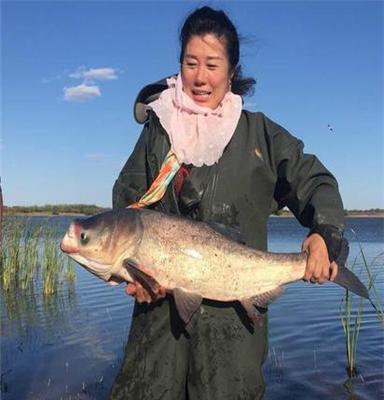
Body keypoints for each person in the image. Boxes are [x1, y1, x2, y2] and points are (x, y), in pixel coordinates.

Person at [109, 6, 345, 400]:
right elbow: (125, 209)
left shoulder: (260, 136)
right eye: (191, 63)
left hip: (232, 342)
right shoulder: (157, 132)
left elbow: (317, 183)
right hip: (157, 338)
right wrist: (131, 274)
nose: (200, 77)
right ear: (179, 65)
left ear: (231, 71)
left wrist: (325, 235)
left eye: (212, 64)